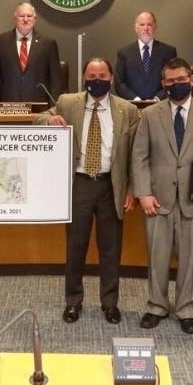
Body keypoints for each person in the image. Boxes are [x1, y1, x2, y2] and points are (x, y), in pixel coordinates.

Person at [34, 58, 140, 325]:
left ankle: (110, 303)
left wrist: (132, 190)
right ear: (83, 77)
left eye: (102, 75)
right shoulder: (68, 102)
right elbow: (38, 119)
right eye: (91, 75)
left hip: (111, 185)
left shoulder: (127, 110)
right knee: (75, 247)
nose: (96, 79)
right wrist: (50, 120)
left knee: (110, 249)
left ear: (112, 78)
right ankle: (73, 302)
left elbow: (135, 155)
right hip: (79, 183)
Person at [131, 58, 193, 333]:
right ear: (163, 83)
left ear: (192, 79)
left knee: (189, 259)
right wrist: (143, 193)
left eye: (181, 79)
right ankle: (156, 306)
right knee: (157, 257)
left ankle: (187, 309)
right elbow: (139, 157)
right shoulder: (150, 115)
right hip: (157, 200)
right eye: (170, 81)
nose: (176, 85)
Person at [0, 2, 63, 103]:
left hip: (40, 110)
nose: (26, 20)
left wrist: (54, 110)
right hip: (7, 109)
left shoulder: (48, 44)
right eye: (22, 16)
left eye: (29, 16)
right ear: (15, 18)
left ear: (35, 19)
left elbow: (56, 81)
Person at [114, 11, 178, 101]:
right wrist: (136, 100)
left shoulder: (168, 52)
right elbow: (119, 83)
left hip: (160, 105)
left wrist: (157, 99)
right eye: (142, 25)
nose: (146, 28)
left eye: (149, 25)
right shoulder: (124, 53)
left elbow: (173, 80)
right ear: (136, 28)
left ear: (155, 27)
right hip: (132, 106)